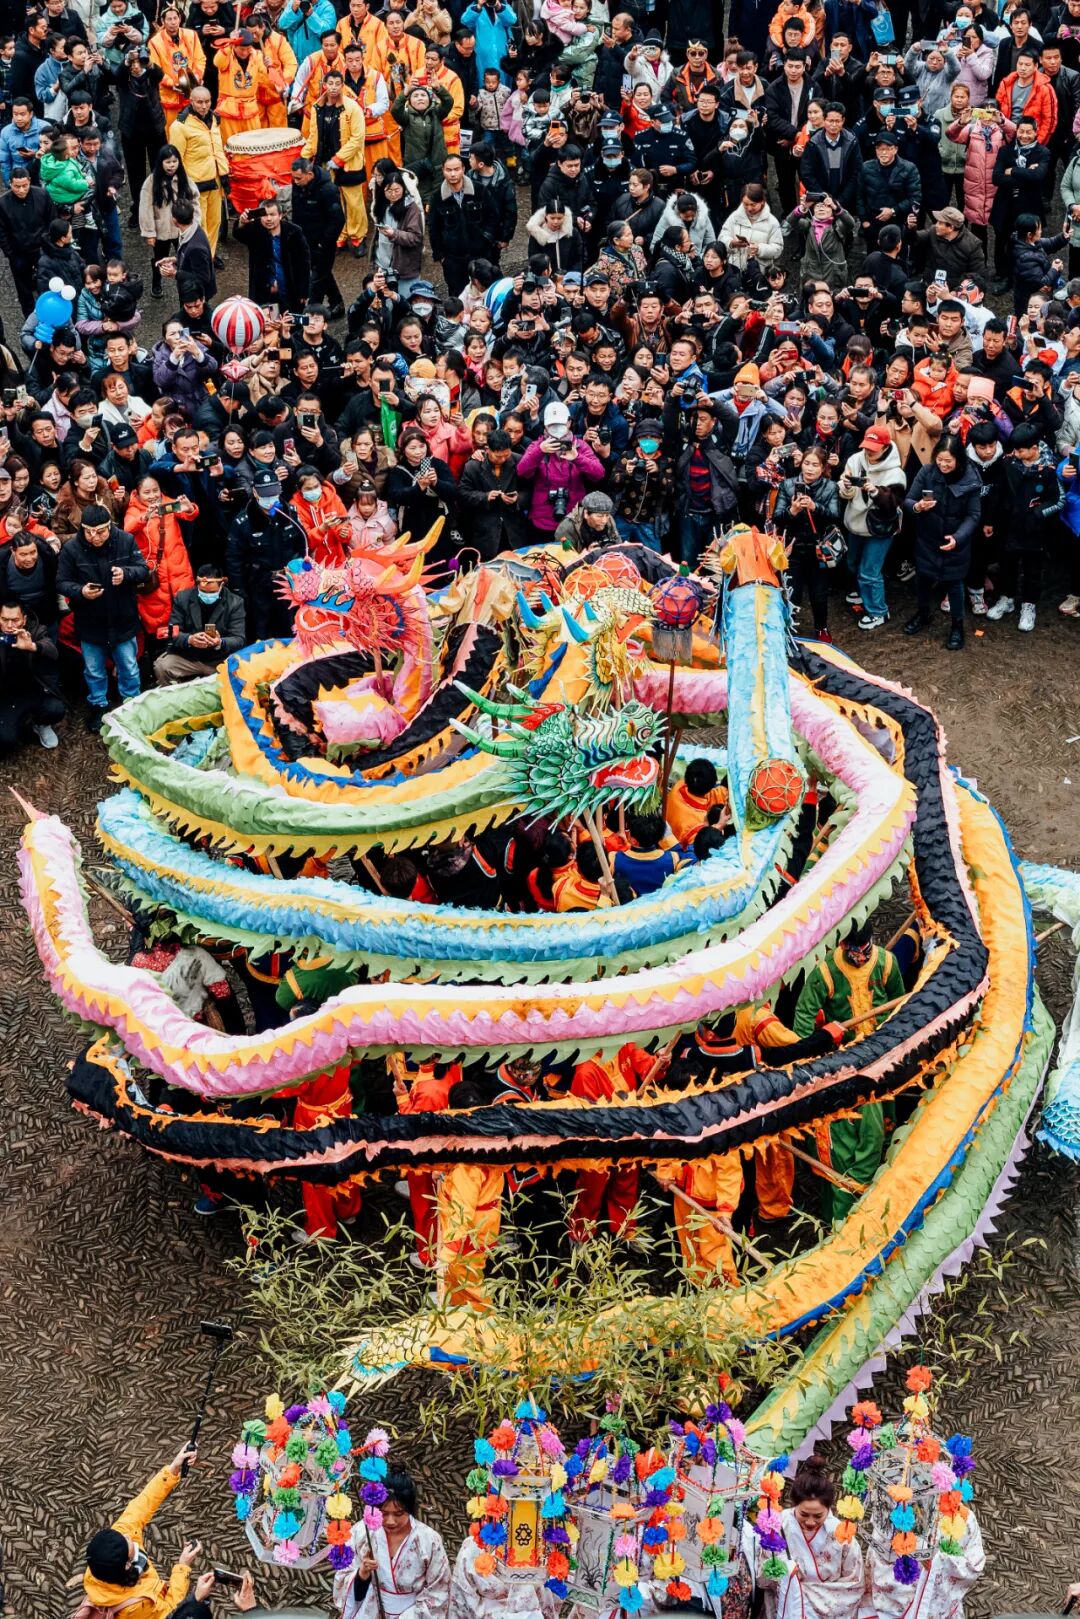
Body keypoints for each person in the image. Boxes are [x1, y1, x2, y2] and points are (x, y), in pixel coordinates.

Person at [793, 921, 905, 1221]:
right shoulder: (825, 972)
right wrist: (806, 1059)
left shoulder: (887, 963)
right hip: (844, 1063)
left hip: (882, 1055)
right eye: (855, 952)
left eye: (866, 950)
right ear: (842, 946)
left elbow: (900, 1005)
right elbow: (804, 1016)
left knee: (880, 1123)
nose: (861, 957)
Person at [79, 1440, 201, 1619]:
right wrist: (183, 1567)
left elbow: (142, 1504)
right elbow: (170, 1610)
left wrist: (173, 1469)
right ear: (127, 1564)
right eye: (126, 1541)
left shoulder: (104, 1560)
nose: (127, 1535)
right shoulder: (136, 1606)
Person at [56, 500, 149, 729]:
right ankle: (98, 704)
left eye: (100, 532)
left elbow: (143, 569)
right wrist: (81, 591)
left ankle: (132, 703)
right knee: (94, 670)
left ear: (109, 526)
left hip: (122, 617)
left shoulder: (125, 540)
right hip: (89, 620)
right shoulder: (72, 549)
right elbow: (61, 582)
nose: (94, 537)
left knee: (129, 666)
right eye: (89, 532)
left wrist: (126, 574)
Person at [333, 1468, 451, 1619]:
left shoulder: (429, 1540)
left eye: (399, 1513)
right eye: (383, 1513)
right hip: (370, 1610)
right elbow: (344, 1576)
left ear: (410, 1510)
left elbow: (439, 1590)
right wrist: (362, 1574)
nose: (390, 1521)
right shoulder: (362, 1532)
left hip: (414, 1613)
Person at [757, 1457, 863, 1619]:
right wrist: (786, 1572)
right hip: (787, 1605)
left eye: (818, 1515)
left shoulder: (841, 1533)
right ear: (794, 1504)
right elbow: (763, 1573)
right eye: (804, 1514)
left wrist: (808, 1596)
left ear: (829, 1508)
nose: (810, 1522)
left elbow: (854, 1583)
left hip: (829, 1610)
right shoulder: (778, 1525)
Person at [903, 433, 982, 650]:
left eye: (948, 460)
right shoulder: (927, 472)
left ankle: (957, 625)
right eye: (939, 459)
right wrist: (917, 507)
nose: (943, 465)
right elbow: (908, 500)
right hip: (928, 538)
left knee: (954, 584)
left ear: (959, 459)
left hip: (955, 542)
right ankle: (923, 613)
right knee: (922, 579)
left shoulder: (970, 479)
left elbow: (973, 515)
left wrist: (958, 537)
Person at [301, 66, 367, 254]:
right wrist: (304, 157)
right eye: (330, 83)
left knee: (354, 202)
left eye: (338, 84)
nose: (334, 87)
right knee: (333, 202)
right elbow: (313, 136)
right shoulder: (317, 108)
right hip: (325, 164)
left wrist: (339, 159)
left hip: (348, 164)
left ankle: (358, 238)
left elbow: (357, 138)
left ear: (342, 85)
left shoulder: (353, 108)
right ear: (324, 85)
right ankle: (340, 237)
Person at [154, 561, 246, 683]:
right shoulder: (182, 598)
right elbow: (172, 632)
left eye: (212, 592)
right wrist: (189, 639)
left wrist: (220, 642)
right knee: (162, 667)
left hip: (219, 659)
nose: (207, 595)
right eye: (203, 592)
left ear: (221, 585)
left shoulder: (235, 602)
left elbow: (239, 638)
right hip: (189, 657)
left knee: (242, 672)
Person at [168, 84, 229, 257]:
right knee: (199, 225)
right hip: (195, 185)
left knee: (215, 222)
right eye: (199, 102)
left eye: (207, 101)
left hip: (215, 180)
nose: (204, 106)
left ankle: (210, 255)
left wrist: (224, 173)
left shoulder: (215, 119)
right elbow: (176, 159)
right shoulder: (179, 126)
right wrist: (182, 186)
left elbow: (218, 148)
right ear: (191, 101)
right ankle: (202, 258)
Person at [0, 599, 64, 751]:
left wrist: (33, 646)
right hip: (6, 696)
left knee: (56, 709)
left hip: (34, 690)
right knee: (6, 740)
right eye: (4, 620)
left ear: (24, 619)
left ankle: (41, 724)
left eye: (15, 620)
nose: (10, 625)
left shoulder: (35, 630)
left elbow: (53, 651)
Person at [234, 196, 310, 311]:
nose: (268, 219)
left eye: (272, 215)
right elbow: (239, 234)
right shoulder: (255, 230)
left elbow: (304, 263)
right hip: (263, 292)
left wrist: (303, 290)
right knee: (267, 320)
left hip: (289, 289)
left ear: (280, 215)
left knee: (291, 319)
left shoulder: (294, 232)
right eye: (265, 215)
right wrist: (241, 222)